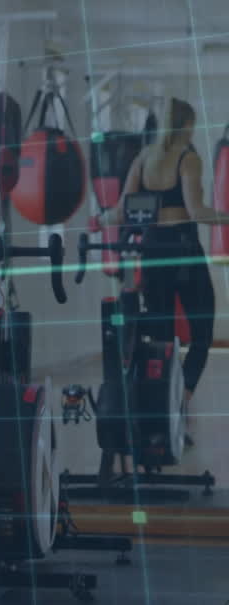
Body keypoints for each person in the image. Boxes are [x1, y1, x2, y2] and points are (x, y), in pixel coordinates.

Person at [90, 98, 229, 443]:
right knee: (201, 335)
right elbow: (196, 212)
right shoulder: (188, 159)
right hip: (182, 252)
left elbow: (121, 212)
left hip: (152, 252)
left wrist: (98, 222)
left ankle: (160, 413)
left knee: (162, 339)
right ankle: (178, 404)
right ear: (185, 126)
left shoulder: (143, 158)